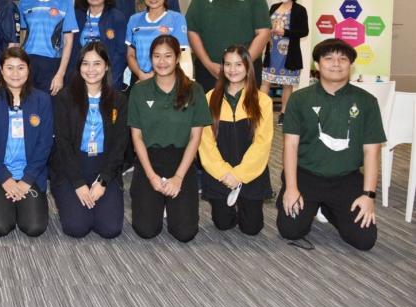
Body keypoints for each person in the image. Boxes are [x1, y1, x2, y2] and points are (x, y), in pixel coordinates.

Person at [276, 39, 384, 251]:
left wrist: (368, 196)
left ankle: (326, 208)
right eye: (329, 58)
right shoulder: (299, 99)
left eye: (342, 59)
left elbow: (372, 152)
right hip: (306, 176)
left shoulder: (366, 102)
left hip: (346, 179)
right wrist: (291, 188)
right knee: (291, 230)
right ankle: (313, 204)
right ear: (317, 64)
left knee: (364, 240)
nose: (336, 63)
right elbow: (290, 146)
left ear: (350, 65)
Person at [127, 34, 210, 242]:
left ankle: (171, 204)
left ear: (177, 58)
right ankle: (157, 202)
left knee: (185, 233)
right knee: (146, 230)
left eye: (168, 56)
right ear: (150, 58)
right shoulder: (139, 90)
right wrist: (151, 177)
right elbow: (137, 138)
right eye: (156, 56)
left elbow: (195, 138)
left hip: (181, 161)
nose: (162, 62)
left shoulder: (194, 90)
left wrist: (179, 177)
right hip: (149, 160)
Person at [51, 43, 128, 239]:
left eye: (97, 63)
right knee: (77, 228)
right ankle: (66, 199)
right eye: (85, 64)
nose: (91, 69)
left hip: (104, 168)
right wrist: (78, 183)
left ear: (106, 66)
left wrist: (103, 181)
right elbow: (63, 144)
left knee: (110, 229)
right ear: (79, 67)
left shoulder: (118, 100)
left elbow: (120, 146)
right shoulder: (65, 97)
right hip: (72, 168)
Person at [0, 47, 53, 237]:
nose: (15, 73)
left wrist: (27, 179)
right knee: (1, 227)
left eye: (20, 67)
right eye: (9, 68)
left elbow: (44, 144)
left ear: (28, 69)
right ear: (1, 71)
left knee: (34, 227)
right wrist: (5, 178)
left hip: (30, 174)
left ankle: (23, 200)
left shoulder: (42, 100)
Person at [200, 45, 273, 236]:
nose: (232, 69)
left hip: (251, 172)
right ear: (222, 67)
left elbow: (262, 143)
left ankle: (246, 203)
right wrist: (224, 174)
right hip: (220, 174)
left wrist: (239, 175)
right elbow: (205, 143)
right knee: (223, 223)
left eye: (238, 64)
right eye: (228, 64)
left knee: (252, 228)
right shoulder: (209, 98)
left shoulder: (262, 101)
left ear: (248, 67)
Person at [185, 0, 270, 92]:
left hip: (247, 70)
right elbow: (192, 31)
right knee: (209, 107)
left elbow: (263, 33)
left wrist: (241, 65)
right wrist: (208, 64)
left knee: (246, 107)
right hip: (209, 71)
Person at [18, 0, 78, 95]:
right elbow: (21, 36)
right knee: (27, 105)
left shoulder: (65, 1)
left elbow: (68, 41)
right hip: (27, 63)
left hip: (52, 64)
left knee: (48, 106)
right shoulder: (24, 2)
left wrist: (60, 74)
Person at [261, 0, 309, 124]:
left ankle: (284, 113)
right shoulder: (274, 7)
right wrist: (269, 30)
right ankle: (261, 111)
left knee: (287, 84)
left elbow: (304, 31)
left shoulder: (300, 10)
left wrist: (285, 32)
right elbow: (265, 24)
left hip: (289, 54)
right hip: (272, 51)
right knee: (265, 82)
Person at [126, 0, 188, 84]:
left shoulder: (177, 19)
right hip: (139, 78)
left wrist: (154, 76)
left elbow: (181, 54)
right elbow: (130, 55)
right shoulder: (134, 19)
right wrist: (140, 74)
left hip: (168, 78)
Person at [71, 0, 128, 90]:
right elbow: (71, 50)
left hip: (109, 79)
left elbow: (121, 53)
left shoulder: (117, 17)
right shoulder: (76, 16)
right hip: (80, 77)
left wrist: (110, 81)